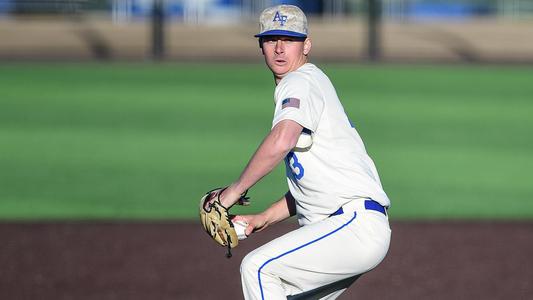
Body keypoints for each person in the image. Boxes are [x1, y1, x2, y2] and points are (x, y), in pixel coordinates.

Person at [212, 4, 391, 299]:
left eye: (289, 40)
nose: (280, 48)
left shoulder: (300, 81)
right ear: (261, 46)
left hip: (352, 226)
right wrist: (263, 219)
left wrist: (231, 194)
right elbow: (314, 187)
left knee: (258, 269)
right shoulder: (310, 83)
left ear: (306, 45)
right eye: (271, 40)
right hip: (345, 229)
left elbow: (282, 140)